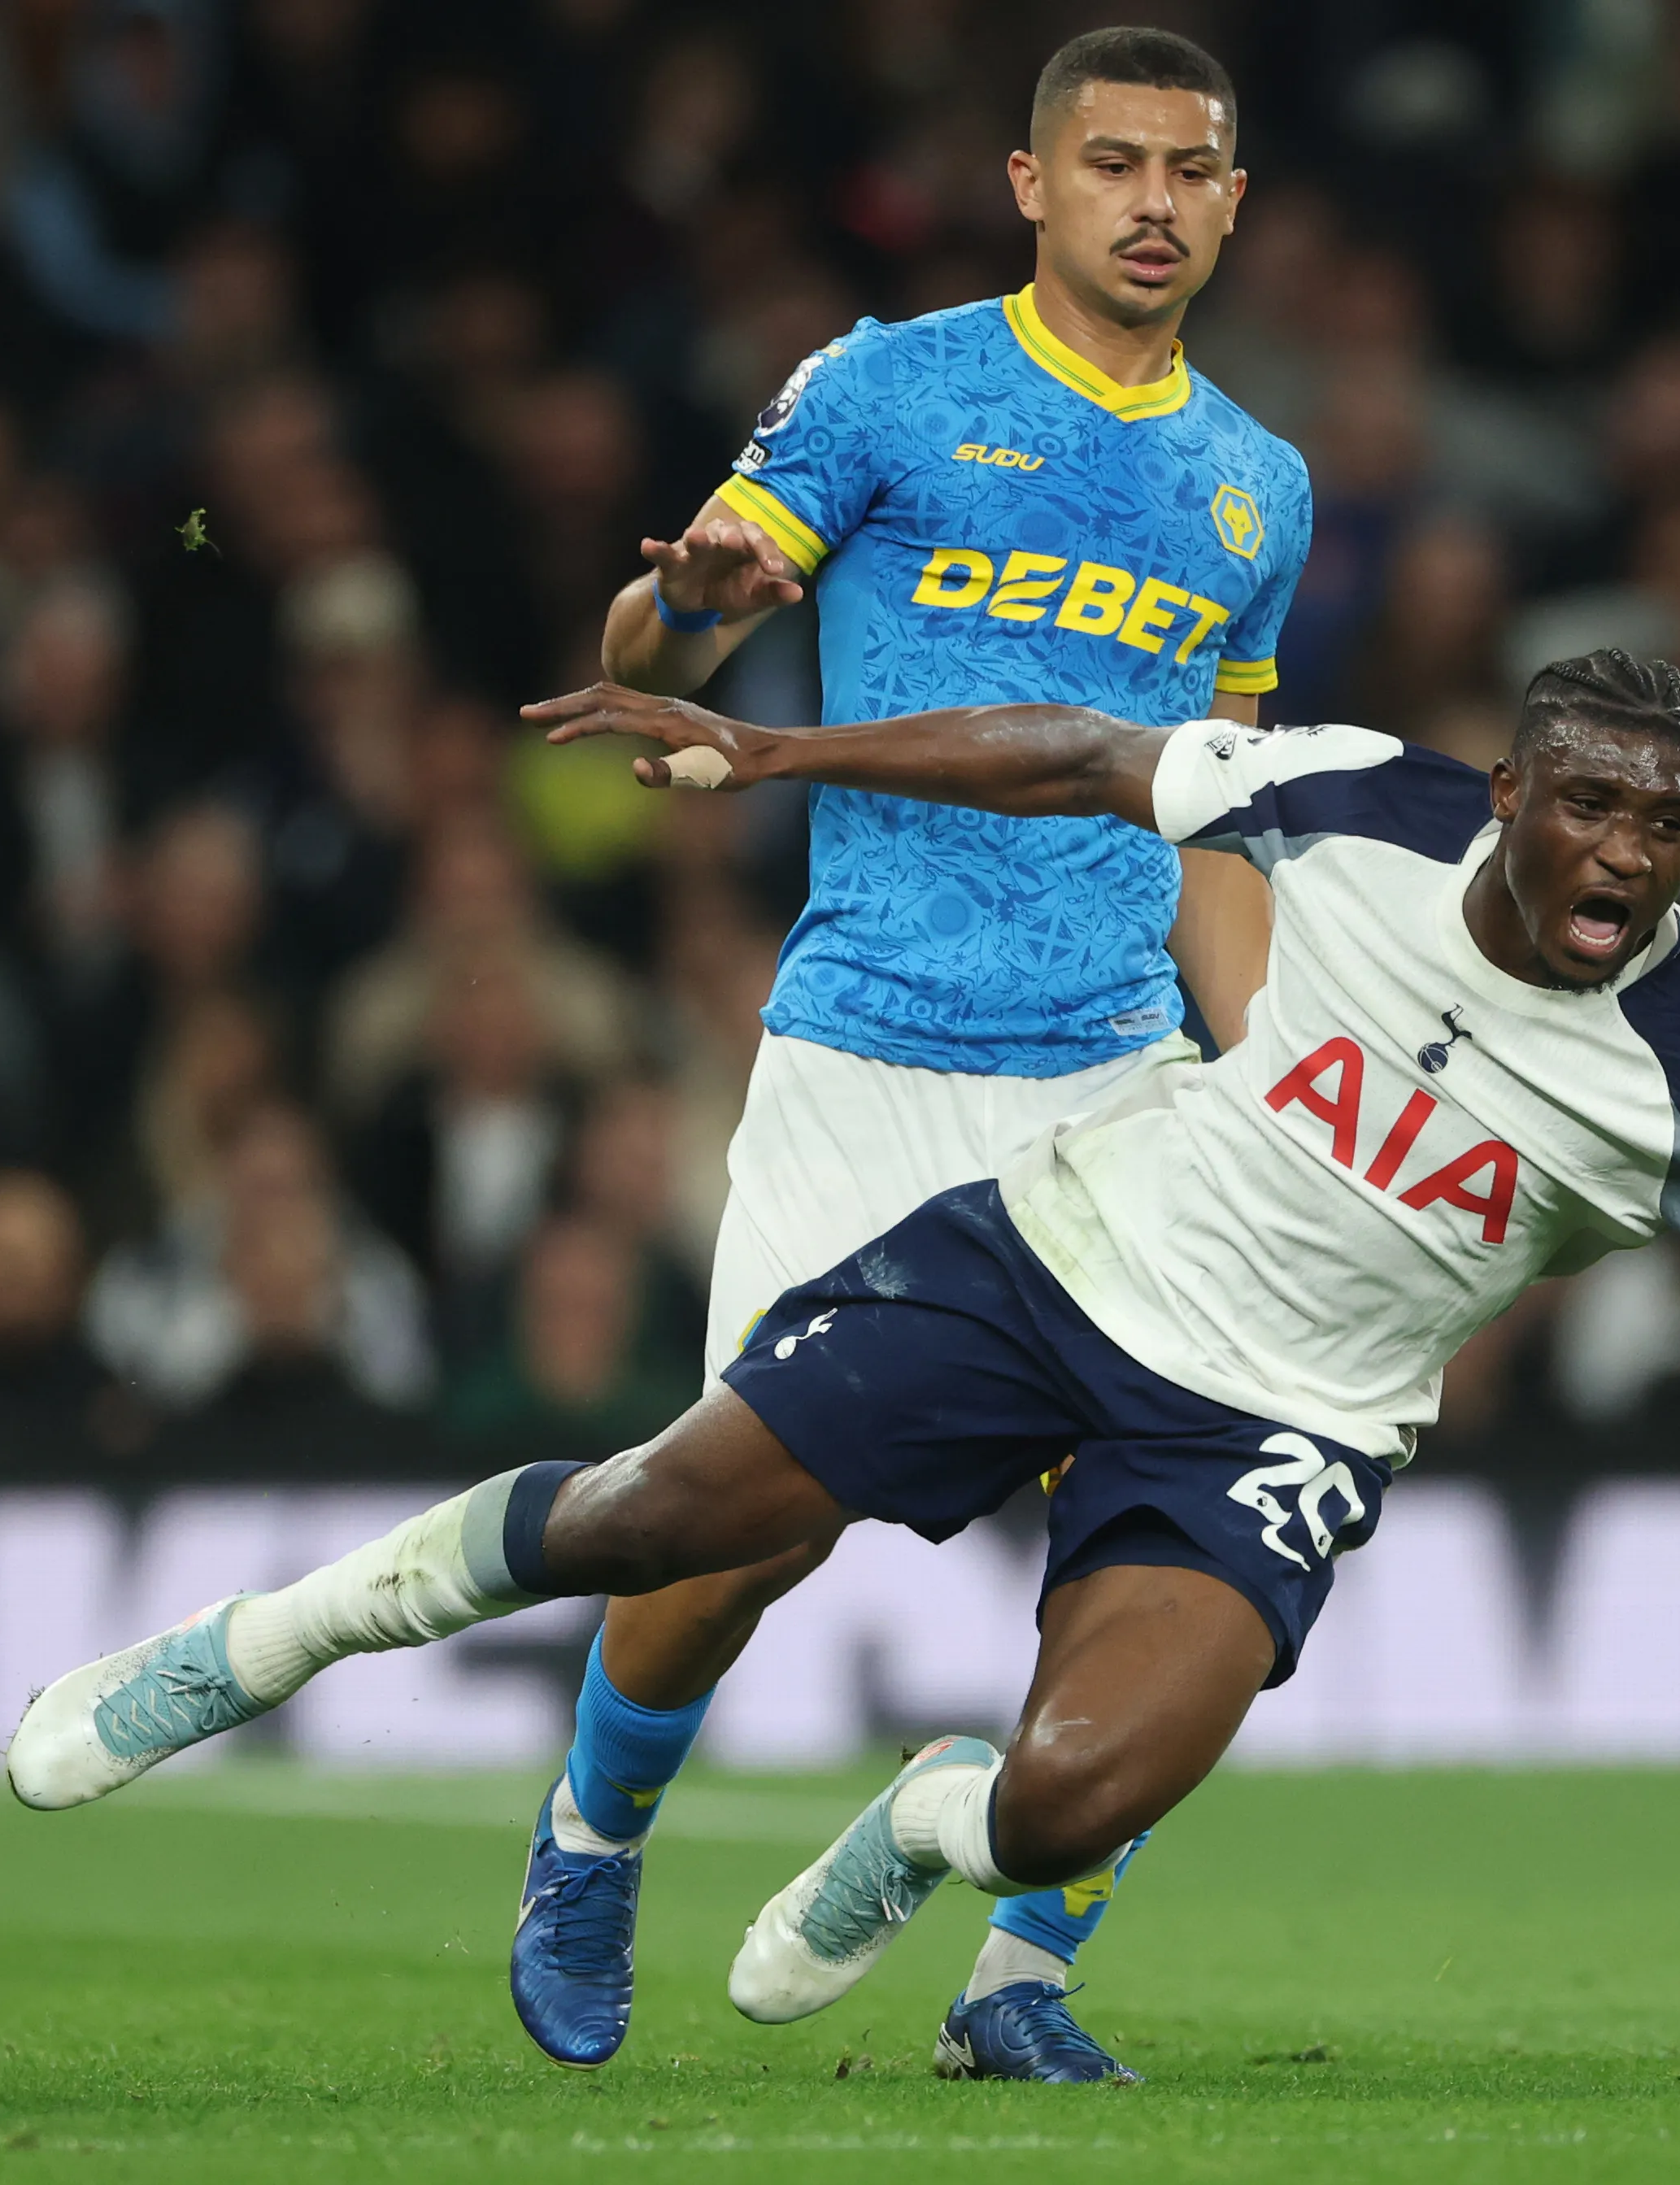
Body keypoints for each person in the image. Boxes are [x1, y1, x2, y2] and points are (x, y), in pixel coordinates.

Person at [8, 652, 1680, 2059]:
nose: (1629, 856)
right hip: (1058, 1260)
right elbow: (1072, 755)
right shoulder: (1363, 797)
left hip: (1275, 1432)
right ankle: (254, 1647)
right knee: (653, 1519)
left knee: (1060, 1808)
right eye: (1593, 803)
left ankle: (920, 1829)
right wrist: (775, 745)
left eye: (1667, 823)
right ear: (1509, 795)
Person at [502, 28, 1310, 2080]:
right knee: (726, 1532)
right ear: (1027, 185)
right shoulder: (884, 386)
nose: (1149, 199)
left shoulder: (1259, 489)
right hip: (870, 1044)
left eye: (1186, 169)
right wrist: (679, 607)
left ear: (1232, 200)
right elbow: (662, 657)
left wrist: (1281, 1064)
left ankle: (1019, 1980)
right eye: (1108, 162)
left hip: (1118, 1071)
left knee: (1166, 1545)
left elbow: (1212, 814)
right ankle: (595, 1835)